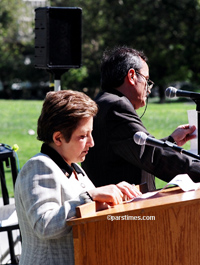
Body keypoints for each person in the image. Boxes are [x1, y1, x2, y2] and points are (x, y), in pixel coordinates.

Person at [14, 90, 141, 265]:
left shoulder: (74, 167)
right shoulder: (39, 166)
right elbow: (44, 225)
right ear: (58, 138)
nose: (92, 142)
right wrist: (91, 197)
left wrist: (116, 196)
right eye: (83, 136)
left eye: (91, 133)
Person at [82, 46, 200, 191]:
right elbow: (153, 157)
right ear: (131, 76)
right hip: (123, 211)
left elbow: (134, 150)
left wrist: (170, 141)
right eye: (147, 80)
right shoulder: (116, 106)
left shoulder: (105, 101)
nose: (149, 89)